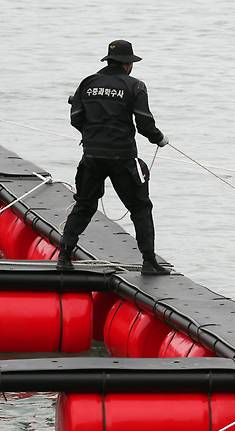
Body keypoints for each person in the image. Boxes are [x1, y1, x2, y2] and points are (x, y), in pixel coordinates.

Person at [57, 40, 171, 275]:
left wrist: (91, 136)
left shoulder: (88, 83)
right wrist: (159, 138)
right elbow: (144, 124)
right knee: (140, 208)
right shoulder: (135, 86)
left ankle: (64, 257)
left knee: (85, 204)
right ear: (128, 64)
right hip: (123, 158)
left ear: (108, 60)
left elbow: (76, 117)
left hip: (92, 156)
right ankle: (149, 262)